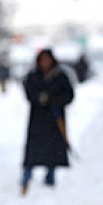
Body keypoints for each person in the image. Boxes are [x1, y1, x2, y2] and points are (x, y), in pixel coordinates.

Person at [21, 49, 74, 195]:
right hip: (38, 120)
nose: (45, 63)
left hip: (54, 119)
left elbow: (69, 95)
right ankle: (26, 178)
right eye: (42, 60)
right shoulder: (33, 77)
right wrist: (40, 98)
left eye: (47, 60)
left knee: (53, 151)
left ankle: (50, 179)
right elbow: (29, 93)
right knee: (33, 152)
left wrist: (53, 100)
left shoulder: (60, 76)